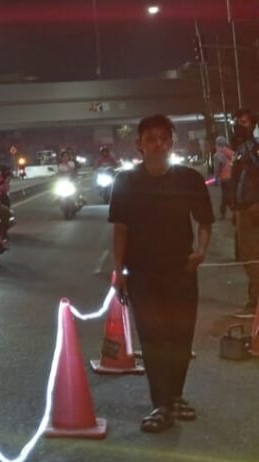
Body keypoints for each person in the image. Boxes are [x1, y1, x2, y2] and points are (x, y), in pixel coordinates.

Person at [109, 114, 212, 433]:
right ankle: (161, 404)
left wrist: (201, 251)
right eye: (150, 138)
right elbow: (121, 230)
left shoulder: (189, 179)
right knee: (153, 339)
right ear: (140, 144)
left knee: (180, 336)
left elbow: (205, 221)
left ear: (171, 142)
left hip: (181, 270)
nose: (157, 144)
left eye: (163, 138)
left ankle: (176, 395)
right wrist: (119, 271)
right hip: (142, 273)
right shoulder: (126, 181)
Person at [229, 108, 259, 317]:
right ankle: (254, 298)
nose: (240, 125)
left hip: (253, 206)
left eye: (244, 122)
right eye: (238, 121)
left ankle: (256, 301)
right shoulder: (240, 148)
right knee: (245, 255)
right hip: (241, 208)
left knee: (252, 256)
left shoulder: (254, 148)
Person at [213, 135, 235, 220]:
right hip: (232, 177)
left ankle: (233, 212)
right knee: (227, 196)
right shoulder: (230, 152)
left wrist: (216, 178)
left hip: (224, 178)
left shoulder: (217, 155)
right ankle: (226, 213)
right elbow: (235, 161)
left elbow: (217, 168)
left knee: (226, 196)